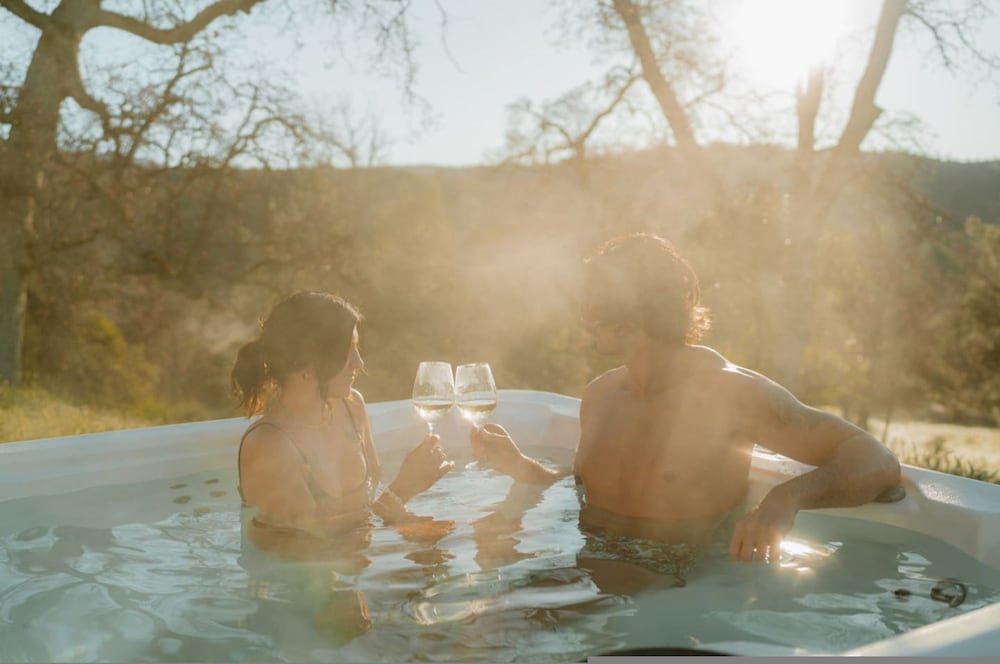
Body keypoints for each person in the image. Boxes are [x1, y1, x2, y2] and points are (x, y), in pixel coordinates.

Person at [470, 233, 901, 566]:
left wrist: (783, 501)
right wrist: (525, 470)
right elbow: (590, 489)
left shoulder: (728, 392)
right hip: (585, 571)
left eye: (597, 302)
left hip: (675, 585)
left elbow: (876, 459)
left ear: (638, 309)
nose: (585, 317)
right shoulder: (600, 395)